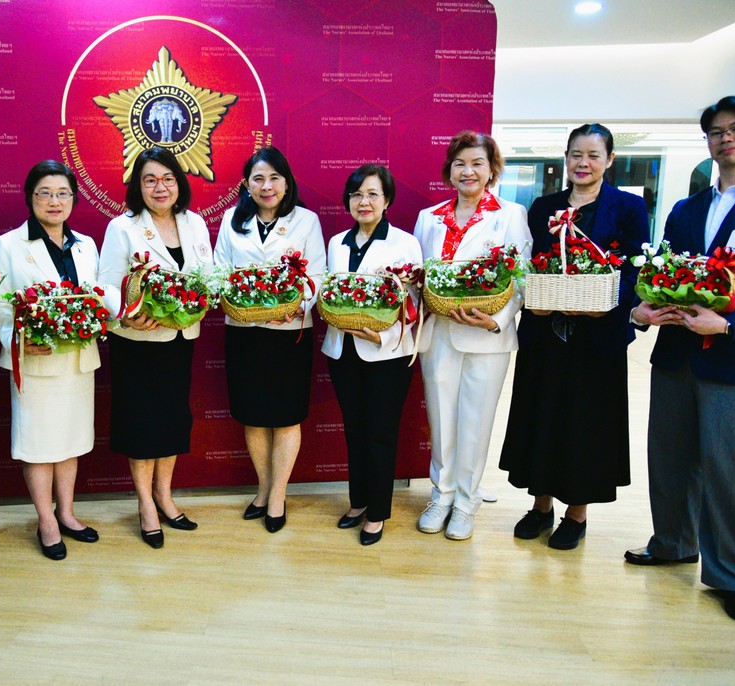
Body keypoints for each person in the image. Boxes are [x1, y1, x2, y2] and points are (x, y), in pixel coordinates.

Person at [626, 96, 735, 622]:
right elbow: (664, 269)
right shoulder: (687, 209)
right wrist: (646, 306)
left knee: (731, 472)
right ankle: (673, 543)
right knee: (670, 460)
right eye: (717, 131)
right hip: (678, 354)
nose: (727, 138)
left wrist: (728, 324)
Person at [498, 125, 648, 550]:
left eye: (593, 155)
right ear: (565, 158)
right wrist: (533, 296)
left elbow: (635, 269)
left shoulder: (628, 207)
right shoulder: (544, 206)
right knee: (541, 415)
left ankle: (576, 514)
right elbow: (528, 264)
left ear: (609, 160)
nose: (583, 163)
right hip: (545, 332)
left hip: (598, 339)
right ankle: (540, 506)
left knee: (587, 425)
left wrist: (608, 305)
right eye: (576, 155)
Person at [414, 131, 531, 541]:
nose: (469, 171)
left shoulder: (510, 214)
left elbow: (522, 277)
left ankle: (466, 501)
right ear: (450, 170)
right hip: (439, 332)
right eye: (460, 163)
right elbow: (419, 276)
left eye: (478, 163)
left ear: (491, 170)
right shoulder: (429, 217)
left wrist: (496, 319)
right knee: (441, 418)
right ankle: (441, 495)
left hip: (487, 337)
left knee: (476, 421)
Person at [0, 160, 102, 561]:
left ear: (73, 198)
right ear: (30, 197)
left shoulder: (86, 244)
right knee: (38, 444)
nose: (55, 201)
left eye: (63, 193)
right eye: (45, 193)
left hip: (79, 360)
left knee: (71, 441)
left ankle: (66, 512)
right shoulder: (8, 245)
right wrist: (15, 339)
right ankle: (46, 520)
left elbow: (96, 296)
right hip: (34, 362)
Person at [99, 147, 213, 548]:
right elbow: (106, 285)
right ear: (138, 186)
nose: (160, 187)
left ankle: (164, 495)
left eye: (167, 178)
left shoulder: (195, 223)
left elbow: (207, 277)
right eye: (150, 180)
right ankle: (145, 503)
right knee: (142, 424)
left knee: (172, 420)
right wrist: (127, 314)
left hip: (179, 339)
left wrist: (197, 301)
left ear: (179, 182)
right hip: (138, 342)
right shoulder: (122, 227)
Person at [213, 146, 326, 533]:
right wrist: (236, 297)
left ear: (287, 183)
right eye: (258, 179)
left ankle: (278, 495)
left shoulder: (306, 221)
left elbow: (318, 275)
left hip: (288, 334)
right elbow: (221, 271)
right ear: (247, 184)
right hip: (244, 333)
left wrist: (298, 306)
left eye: (274, 178)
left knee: (286, 416)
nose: (267, 186)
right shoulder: (232, 220)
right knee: (254, 415)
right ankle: (263, 489)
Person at [322, 165, 422, 546]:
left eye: (372, 194)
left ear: (387, 200)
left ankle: (377, 512)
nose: (363, 202)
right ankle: (359, 500)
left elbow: (415, 301)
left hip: (388, 354)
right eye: (356, 195)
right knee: (354, 430)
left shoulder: (404, 243)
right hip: (342, 350)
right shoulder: (337, 243)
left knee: (380, 433)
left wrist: (384, 335)